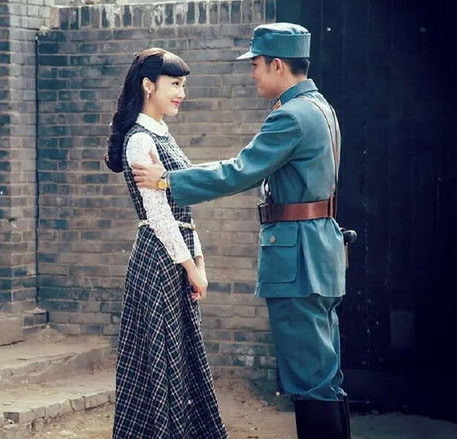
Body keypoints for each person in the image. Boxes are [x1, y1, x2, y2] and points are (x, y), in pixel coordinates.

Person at [132, 24, 351, 439]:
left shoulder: (291, 115)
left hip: (299, 258)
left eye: (256, 64)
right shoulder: (319, 106)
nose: (252, 73)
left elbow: (240, 170)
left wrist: (167, 180)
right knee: (324, 373)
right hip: (319, 251)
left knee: (309, 378)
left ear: (277, 65)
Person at [106, 47, 228, 438]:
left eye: (183, 85)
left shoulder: (162, 134)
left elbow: (183, 208)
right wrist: (192, 267)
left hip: (175, 256)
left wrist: (199, 261)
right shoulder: (139, 140)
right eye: (174, 84)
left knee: (179, 356)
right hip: (158, 261)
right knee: (159, 359)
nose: (181, 93)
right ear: (148, 86)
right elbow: (158, 215)